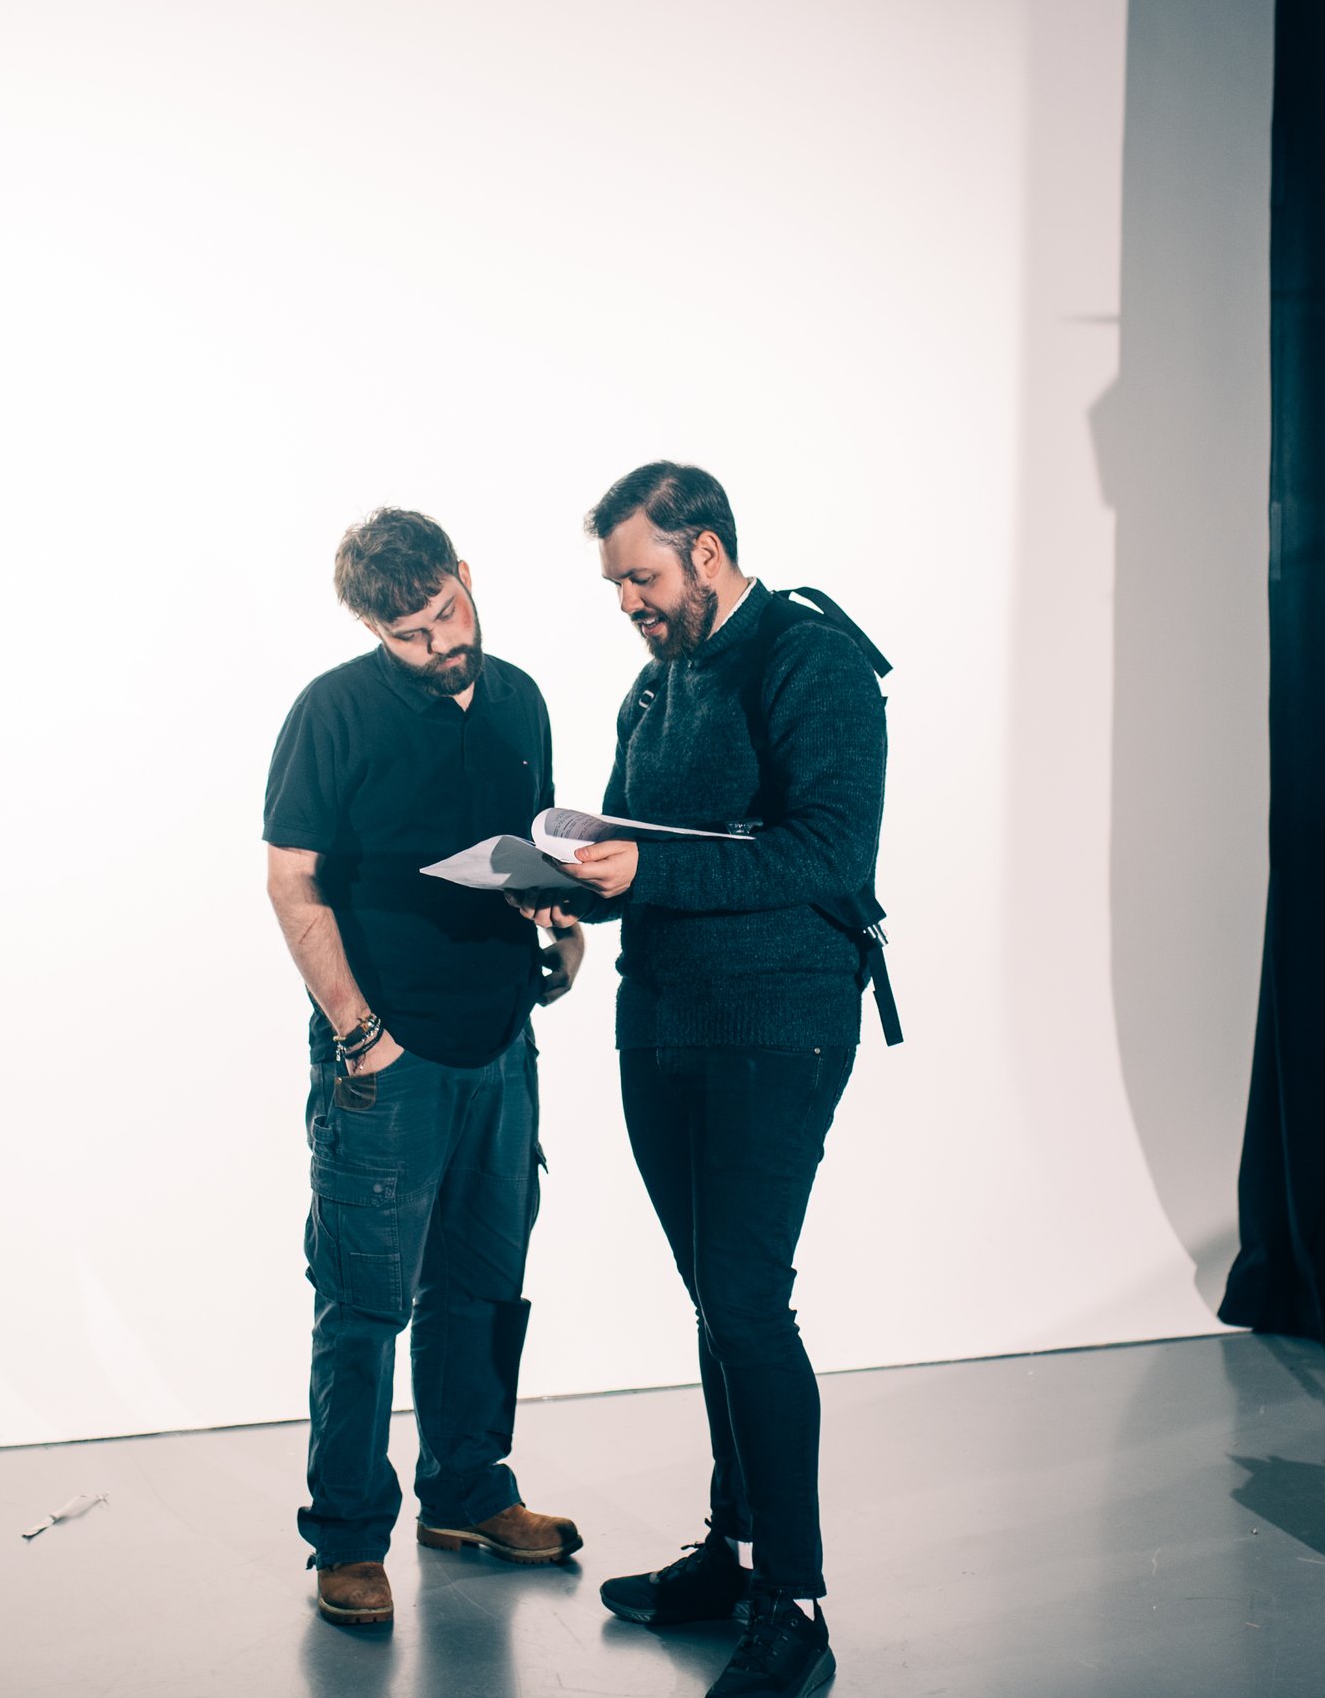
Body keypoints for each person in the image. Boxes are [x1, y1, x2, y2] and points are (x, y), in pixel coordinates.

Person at [517, 462, 887, 1698]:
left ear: (709, 553)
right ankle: (731, 1558)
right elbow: (633, 846)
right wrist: (558, 878)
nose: (628, 600)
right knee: (713, 1299)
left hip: (777, 1021)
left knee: (746, 1300)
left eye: (642, 575)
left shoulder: (811, 661)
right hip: (663, 1019)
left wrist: (644, 878)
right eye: (617, 581)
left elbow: (827, 851)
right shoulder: (656, 678)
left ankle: (795, 1601)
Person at [264, 507, 586, 1628]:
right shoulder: (332, 713)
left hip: (502, 1038)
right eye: (410, 633)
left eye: (447, 612)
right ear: (370, 625)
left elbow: (528, 846)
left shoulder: (519, 695)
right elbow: (291, 882)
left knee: (484, 1285)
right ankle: (346, 1542)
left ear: (464, 574)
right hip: (386, 1056)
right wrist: (361, 1033)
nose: (441, 642)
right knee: (362, 1307)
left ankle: (467, 1493)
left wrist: (561, 921)